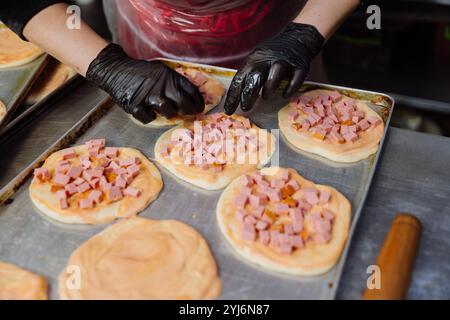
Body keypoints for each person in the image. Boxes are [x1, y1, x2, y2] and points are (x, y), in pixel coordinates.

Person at [0, 0, 360, 124]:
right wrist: (103, 63)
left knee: (286, 105)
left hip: (282, 20)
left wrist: (307, 32)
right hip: (149, 25)